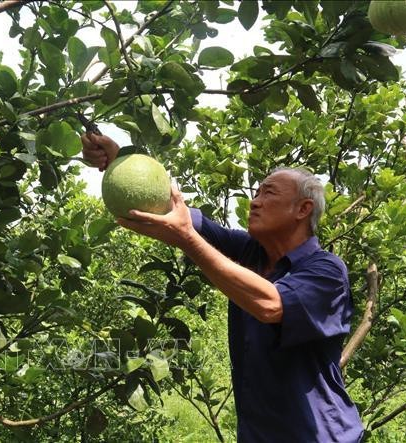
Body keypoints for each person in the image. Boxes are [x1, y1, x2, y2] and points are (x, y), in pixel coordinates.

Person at [81, 132, 364, 442]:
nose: (255, 201)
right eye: (256, 192)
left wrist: (187, 240)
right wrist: (122, 159)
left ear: (302, 209)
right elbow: (172, 210)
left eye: (268, 193)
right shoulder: (250, 252)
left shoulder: (326, 271)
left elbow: (271, 305)